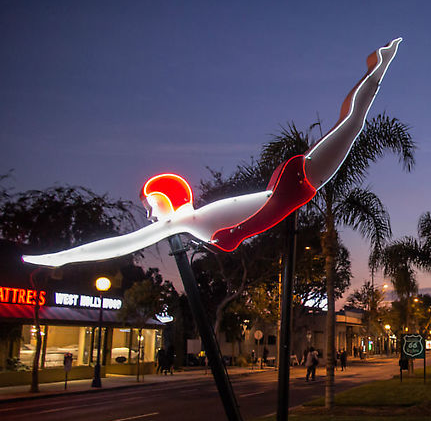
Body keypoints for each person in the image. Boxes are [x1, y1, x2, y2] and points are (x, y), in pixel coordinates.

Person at [22, 38, 403, 267]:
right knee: (348, 124)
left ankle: (380, 68)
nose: (149, 213)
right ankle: (378, 65)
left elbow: (119, 245)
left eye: (152, 204)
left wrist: (59, 257)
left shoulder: (182, 223)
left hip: (292, 184)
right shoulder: (189, 222)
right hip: (287, 185)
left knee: (351, 124)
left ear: (169, 201)